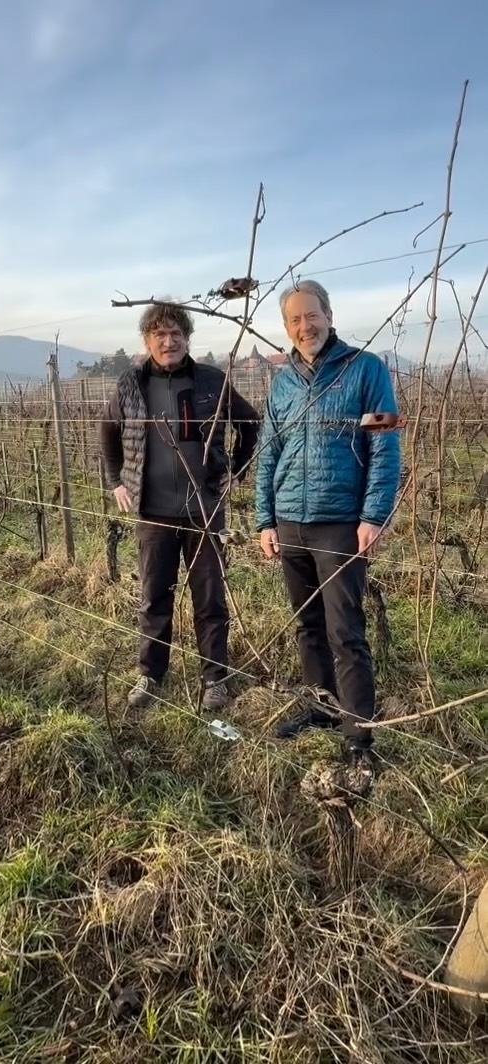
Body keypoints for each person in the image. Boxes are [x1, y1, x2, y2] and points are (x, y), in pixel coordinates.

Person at [255, 280, 401, 769]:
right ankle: (321, 707)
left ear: (330, 315)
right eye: (294, 320)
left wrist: (373, 515)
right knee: (307, 626)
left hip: (340, 523)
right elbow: (268, 452)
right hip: (290, 522)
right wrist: (264, 519)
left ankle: (359, 736)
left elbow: (385, 447)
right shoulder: (284, 383)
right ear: (286, 328)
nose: (304, 327)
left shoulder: (365, 370)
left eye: (311, 316)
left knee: (345, 630)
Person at [100, 302, 260, 712]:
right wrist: (116, 480)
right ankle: (151, 673)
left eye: (176, 334)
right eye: (160, 335)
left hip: (204, 510)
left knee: (210, 598)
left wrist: (236, 471)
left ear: (187, 338)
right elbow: (107, 430)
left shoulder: (211, 380)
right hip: (153, 511)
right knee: (154, 596)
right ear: (147, 340)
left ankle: (214, 679)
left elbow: (249, 422)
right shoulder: (131, 385)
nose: (168, 342)